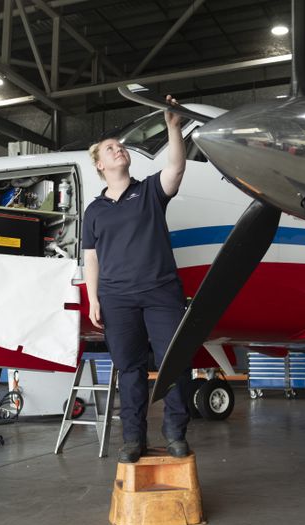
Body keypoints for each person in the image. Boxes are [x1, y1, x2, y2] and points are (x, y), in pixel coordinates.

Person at [82, 95, 192, 463]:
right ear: (99, 164)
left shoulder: (148, 192)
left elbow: (175, 169)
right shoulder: (94, 211)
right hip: (117, 299)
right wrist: (94, 299)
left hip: (161, 292)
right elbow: (91, 257)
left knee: (173, 362)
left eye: (121, 146)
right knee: (129, 369)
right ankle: (133, 439)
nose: (119, 149)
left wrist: (174, 128)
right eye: (111, 148)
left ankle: (175, 432)